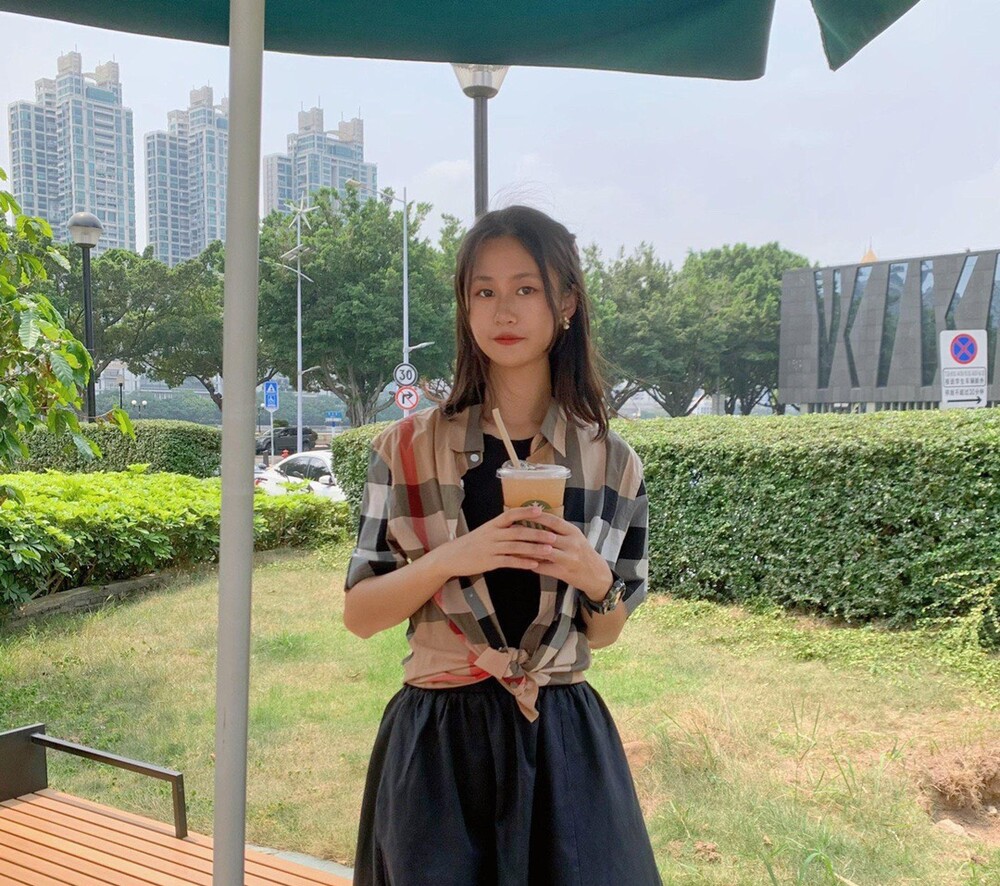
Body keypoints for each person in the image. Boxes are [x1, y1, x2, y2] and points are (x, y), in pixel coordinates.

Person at [344, 206, 661, 886]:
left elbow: (605, 633)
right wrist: (455, 557)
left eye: (525, 288)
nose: (503, 310)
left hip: (562, 735)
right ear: (465, 307)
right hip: (440, 741)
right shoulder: (405, 449)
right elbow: (360, 613)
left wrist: (593, 575)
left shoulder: (612, 462)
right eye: (483, 291)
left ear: (566, 302)